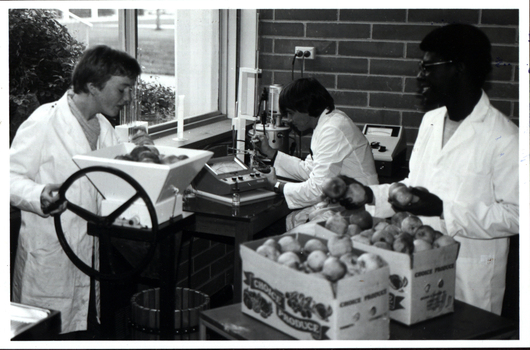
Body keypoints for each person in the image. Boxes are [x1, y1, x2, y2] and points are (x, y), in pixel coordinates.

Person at [328, 24, 519, 315]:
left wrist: (443, 209)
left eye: (428, 67)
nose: (420, 75)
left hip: (468, 278)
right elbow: (413, 185)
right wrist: (369, 195)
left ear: (460, 68)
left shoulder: (506, 137)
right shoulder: (431, 121)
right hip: (416, 263)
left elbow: (518, 214)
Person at [10, 45, 145, 336]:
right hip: (50, 257)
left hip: (90, 255)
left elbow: (114, 183)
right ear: (94, 85)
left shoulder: (104, 129)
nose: (127, 98)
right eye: (122, 89)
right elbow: (8, 178)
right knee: (49, 334)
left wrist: (143, 156)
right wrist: (39, 196)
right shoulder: (45, 121)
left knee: (84, 328)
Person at [252, 77, 378, 229]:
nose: (288, 120)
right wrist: (270, 153)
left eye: (290, 113)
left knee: (277, 229)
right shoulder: (328, 123)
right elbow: (309, 169)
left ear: (306, 107)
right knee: (283, 224)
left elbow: (318, 189)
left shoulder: (333, 129)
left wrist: (276, 185)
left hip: (358, 212)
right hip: (343, 204)